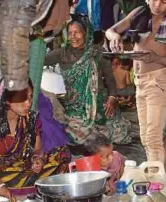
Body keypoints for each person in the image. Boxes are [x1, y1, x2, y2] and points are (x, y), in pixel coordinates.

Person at [105, 0, 166, 165]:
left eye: (164, 2)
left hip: (158, 81)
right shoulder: (138, 13)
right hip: (140, 82)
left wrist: (158, 58)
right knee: (146, 138)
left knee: (152, 138)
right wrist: (115, 38)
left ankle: (156, 186)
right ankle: (158, 182)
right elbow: (111, 30)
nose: (157, 5)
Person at [44, 15, 131, 145]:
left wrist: (112, 97)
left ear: (86, 33)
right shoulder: (61, 53)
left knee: (119, 134)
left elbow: (109, 78)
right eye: (70, 33)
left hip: (102, 106)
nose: (73, 37)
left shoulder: (97, 51)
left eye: (77, 33)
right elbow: (38, 61)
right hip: (76, 108)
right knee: (80, 135)